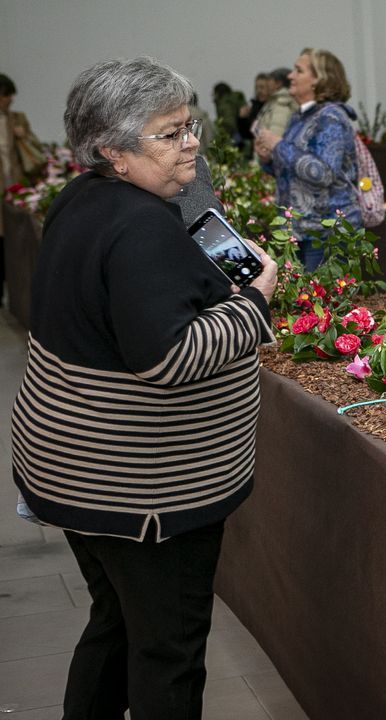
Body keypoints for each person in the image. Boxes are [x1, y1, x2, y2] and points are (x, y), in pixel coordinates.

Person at [9, 56, 277, 718]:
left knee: (117, 623)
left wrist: (193, 224)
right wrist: (256, 303)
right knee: (168, 652)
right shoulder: (140, 228)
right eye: (169, 133)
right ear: (112, 150)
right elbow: (169, 360)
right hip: (143, 493)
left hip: (70, 468)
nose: (191, 142)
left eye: (190, 126)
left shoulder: (84, 197)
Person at [255, 48, 361, 270]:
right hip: (300, 230)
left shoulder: (330, 117)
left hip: (325, 231)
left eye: (298, 70)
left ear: (318, 80)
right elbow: (291, 171)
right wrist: (268, 157)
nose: (290, 76)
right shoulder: (300, 116)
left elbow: (323, 173)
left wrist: (278, 144)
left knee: (321, 302)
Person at [1, 72, 44, 308]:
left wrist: (23, 136)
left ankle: (14, 293)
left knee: (14, 240)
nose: (9, 100)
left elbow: (35, 151)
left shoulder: (18, 119)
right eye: (6, 95)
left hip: (15, 187)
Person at [254, 67, 299, 140]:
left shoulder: (281, 104)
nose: (267, 83)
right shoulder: (274, 102)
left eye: (270, 80)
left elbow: (275, 137)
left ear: (278, 83)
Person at [237, 72, 271, 143]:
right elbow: (247, 134)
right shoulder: (254, 106)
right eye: (256, 88)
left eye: (262, 87)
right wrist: (242, 119)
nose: (259, 91)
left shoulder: (274, 106)